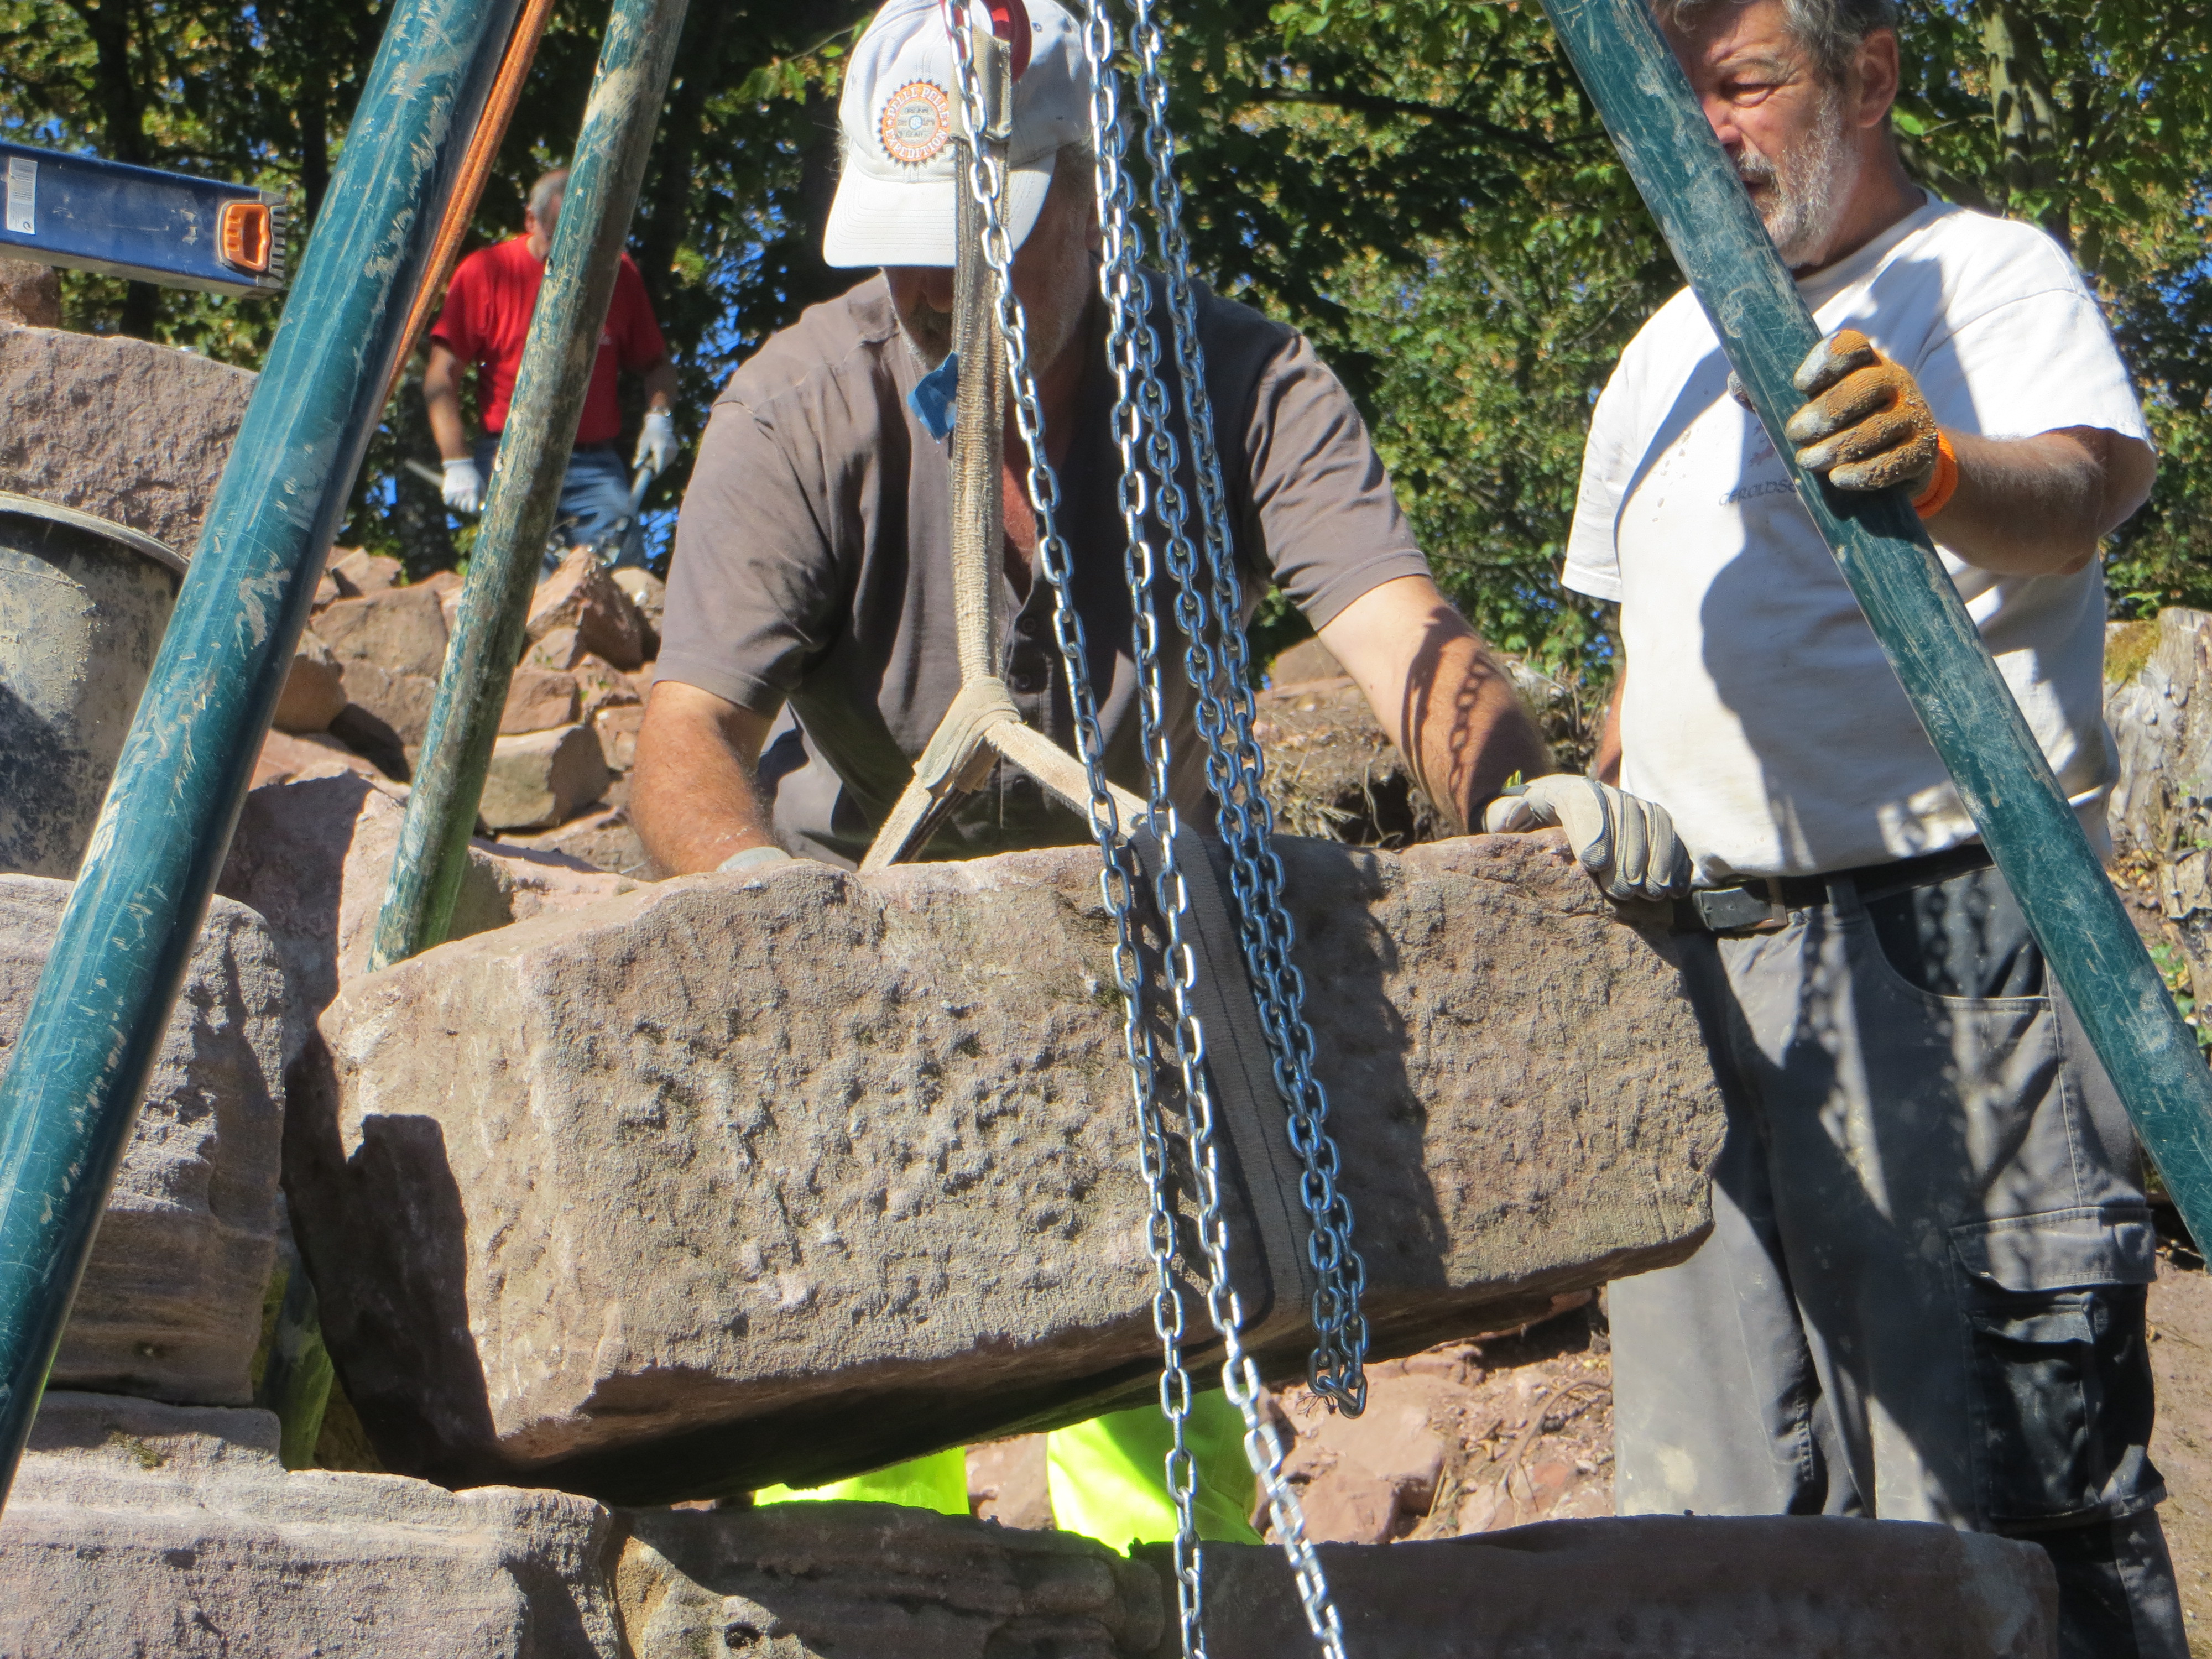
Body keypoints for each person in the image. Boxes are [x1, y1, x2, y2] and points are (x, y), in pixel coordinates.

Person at [633, 0, 1683, 1547]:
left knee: (1158, 1387)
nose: (936, 288)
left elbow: (1399, 635)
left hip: (1126, 928)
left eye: (979, 244)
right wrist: (753, 905)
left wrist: (1516, 802)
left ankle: (1164, 1596)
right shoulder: (801, 406)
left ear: (1091, 193)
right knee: (854, 1421)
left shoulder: (1238, 384)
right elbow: (685, 732)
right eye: (908, 250)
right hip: (860, 921)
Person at [1557, 0, 2177, 1651]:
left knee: (1996, 1484)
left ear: (1870, 77)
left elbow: (2081, 494)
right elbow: (1645, 665)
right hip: (1700, 968)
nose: (1708, 127)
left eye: (1745, 82)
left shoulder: (1983, 275)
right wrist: (1578, 811)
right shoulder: (1661, 351)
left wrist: (1939, 468)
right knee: (1717, 1510)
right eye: (1680, 94)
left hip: (1945, 939)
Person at [424, 167, 680, 570]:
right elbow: (441, 377)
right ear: (531, 220)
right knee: (519, 582)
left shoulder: (617, 275)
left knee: (622, 574)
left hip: (594, 465)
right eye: (557, 235)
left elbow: (657, 365)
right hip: (511, 457)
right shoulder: (486, 272)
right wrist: (456, 462)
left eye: (583, 239)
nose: (570, 253)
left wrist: (659, 418)